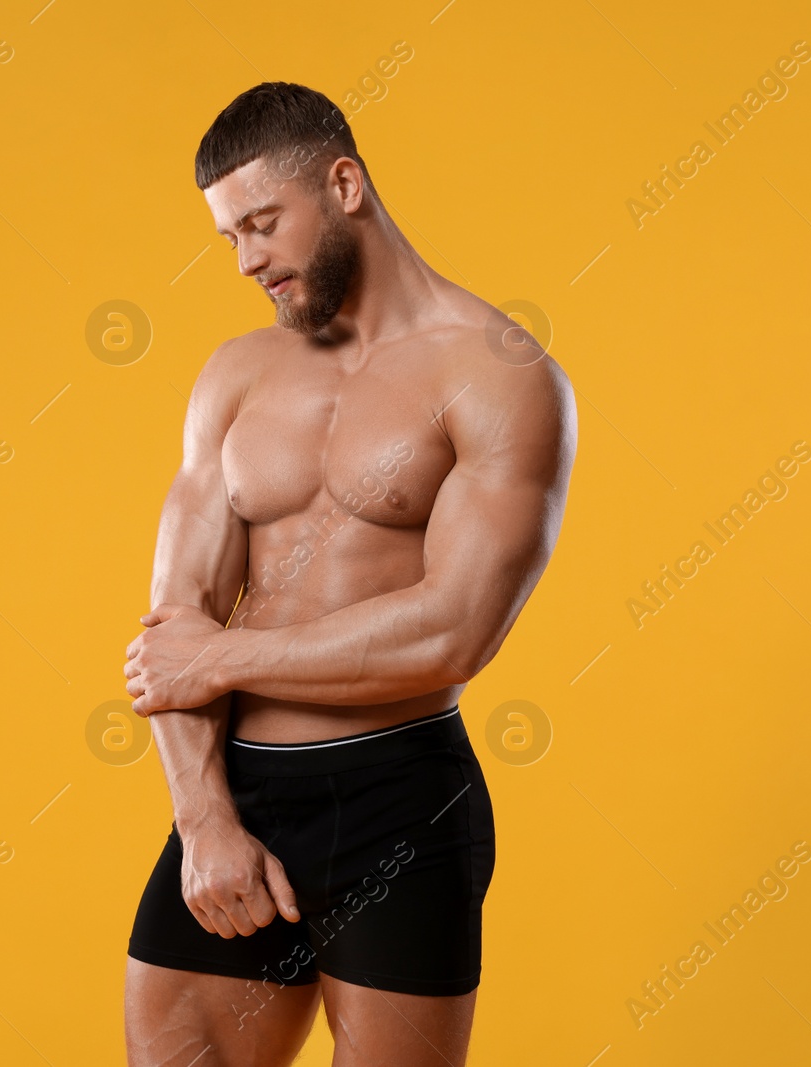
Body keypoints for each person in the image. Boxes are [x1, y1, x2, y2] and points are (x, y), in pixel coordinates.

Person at [121, 81, 577, 1067]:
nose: (245, 260)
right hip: (235, 792)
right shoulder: (235, 374)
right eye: (227, 237)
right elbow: (174, 634)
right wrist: (203, 819)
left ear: (344, 184)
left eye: (261, 224)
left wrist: (225, 655)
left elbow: (452, 629)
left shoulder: (496, 374)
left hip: (398, 800)